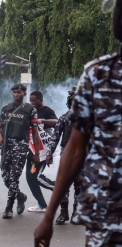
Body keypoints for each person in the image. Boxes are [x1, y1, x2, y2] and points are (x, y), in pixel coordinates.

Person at [34, 2, 122, 245]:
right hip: (107, 215)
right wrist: (48, 216)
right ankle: (65, 212)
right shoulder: (98, 75)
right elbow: (74, 147)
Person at [0, 83, 40, 219]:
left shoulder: (30, 110)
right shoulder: (6, 109)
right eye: (15, 92)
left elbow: (35, 132)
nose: (16, 95)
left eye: (19, 93)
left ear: (24, 94)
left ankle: (9, 207)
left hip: (21, 145)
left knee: (14, 176)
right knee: (5, 177)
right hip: (7, 146)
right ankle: (20, 196)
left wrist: (37, 154)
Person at [45, 87, 78, 225]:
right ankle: (64, 213)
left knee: (80, 186)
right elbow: (55, 137)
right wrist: (49, 153)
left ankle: (76, 213)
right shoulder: (64, 118)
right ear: (69, 103)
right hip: (67, 154)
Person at [26, 90, 58, 213]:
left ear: (41, 99)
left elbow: (57, 122)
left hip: (43, 150)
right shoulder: (29, 111)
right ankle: (42, 204)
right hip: (32, 149)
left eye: (34, 100)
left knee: (35, 176)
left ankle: (56, 187)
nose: (32, 102)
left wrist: (41, 121)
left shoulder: (47, 111)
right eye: (31, 100)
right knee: (30, 177)